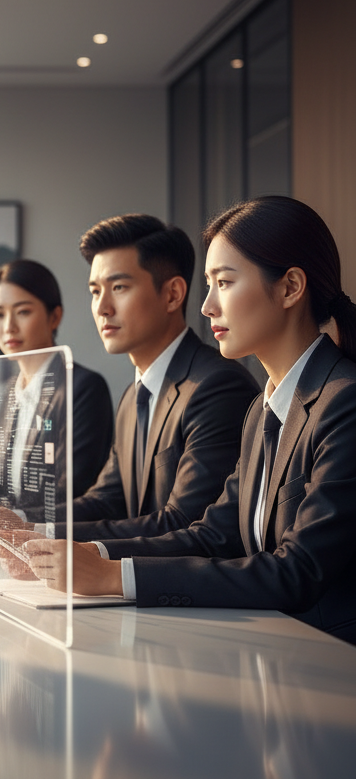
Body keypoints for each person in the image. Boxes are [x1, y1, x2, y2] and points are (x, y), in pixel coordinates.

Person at [23, 197, 356, 644]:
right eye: (209, 284)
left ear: (290, 287)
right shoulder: (263, 408)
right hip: (264, 647)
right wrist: (91, 555)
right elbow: (213, 535)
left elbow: (296, 572)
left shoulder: (344, 401)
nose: (208, 307)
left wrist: (112, 576)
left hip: (328, 664)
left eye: (224, 282)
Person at [32, 213, 259, 537]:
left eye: (119, 287)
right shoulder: (133, 395)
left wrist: (56, 541)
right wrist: (14, 521)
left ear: (172, 294)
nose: (102, 307)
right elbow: (106, 500)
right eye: (95, 291)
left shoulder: (217, 387)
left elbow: (184, 523)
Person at [0, 260, 113, 498]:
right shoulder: (11, 391)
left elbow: (73, 490)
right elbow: (0, 484)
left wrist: (13, 520)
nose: (9, 327)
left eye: (23, 312)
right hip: (11, 533)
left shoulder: (83, 388)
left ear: (54, 317)